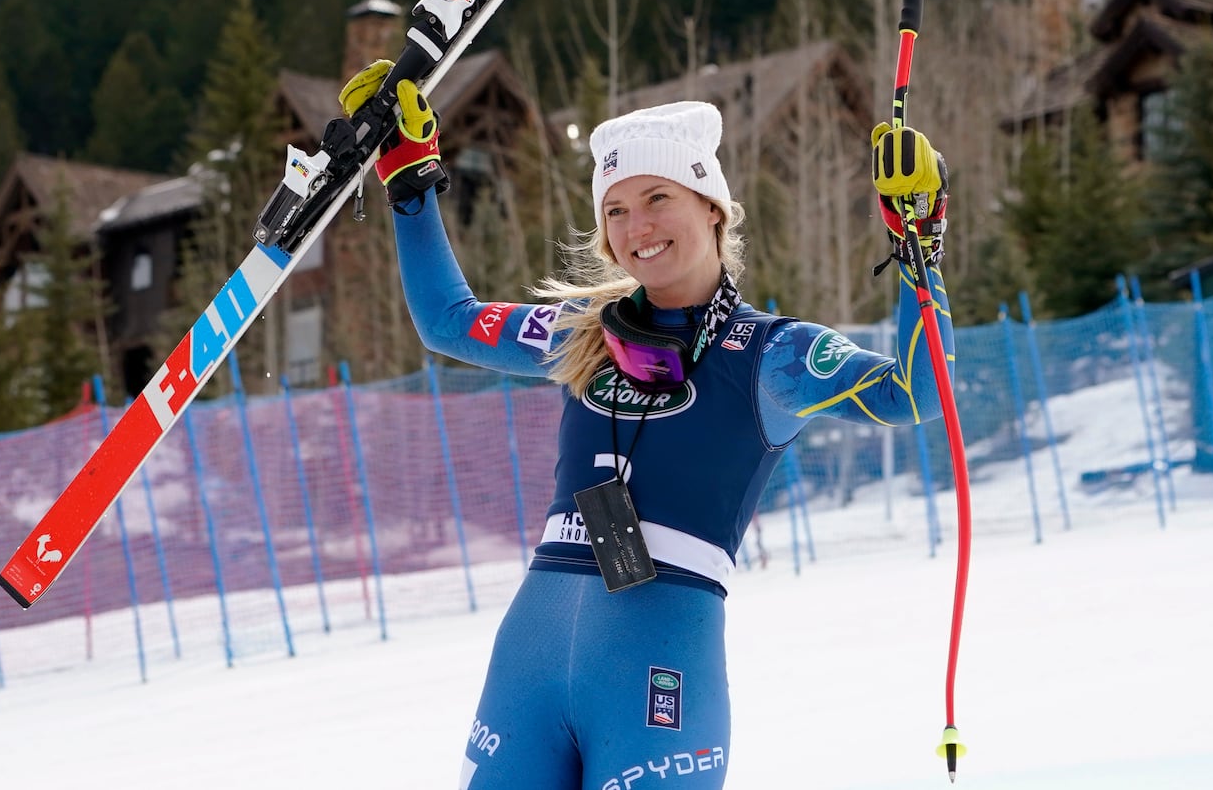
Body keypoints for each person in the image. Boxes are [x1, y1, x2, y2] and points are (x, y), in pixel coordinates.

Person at [340, 62, 955, 790]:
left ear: (714, 210)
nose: (639, 227)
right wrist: (409, 183)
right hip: (529, 663)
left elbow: (914, 391)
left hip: (660, 671)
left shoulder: (772, 355)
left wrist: (921, 244)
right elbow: (448, 321)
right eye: (617, 210)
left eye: (658, 197)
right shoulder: (584, 332)